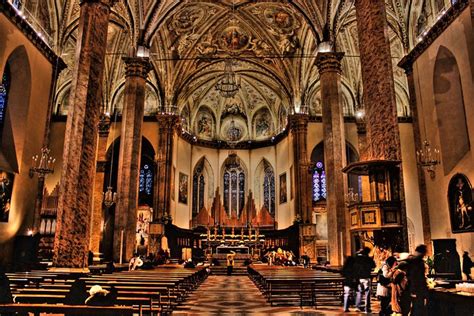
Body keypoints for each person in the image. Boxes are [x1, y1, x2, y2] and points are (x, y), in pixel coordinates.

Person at [406, 244, 428, 316]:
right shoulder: (417, 262)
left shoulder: (411, 260)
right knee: (418, 309)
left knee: (416, 308)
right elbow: (417, 277)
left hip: (414, 289)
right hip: (417, 290)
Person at [353, 247, 375, 313]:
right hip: (366, 277)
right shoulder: (368, 259)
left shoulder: (357, 259)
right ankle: (367, 308)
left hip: (359, 278)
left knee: (359, 292)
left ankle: (357, 306)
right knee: (367, 293)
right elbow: (374, 265)